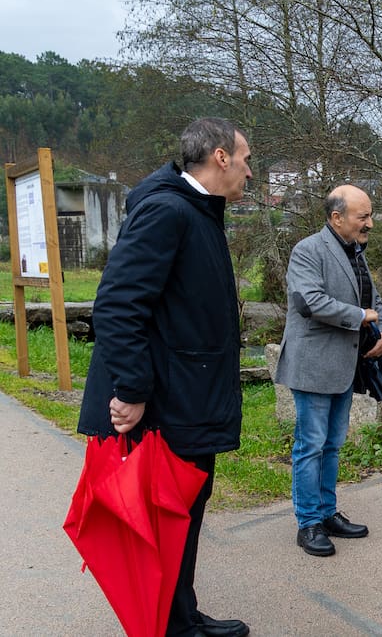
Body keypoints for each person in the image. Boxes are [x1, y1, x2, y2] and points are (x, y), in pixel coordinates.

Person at [77, 118, 252, 637]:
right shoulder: (169, 210)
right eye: (245, 158)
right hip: (166, 403)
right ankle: (174, 628)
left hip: (187, 394)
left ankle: (181, 614)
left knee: (182, 518)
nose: (248, 169)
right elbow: (117, 305)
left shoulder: (196, 208)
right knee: (166, 519)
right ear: (220, 157)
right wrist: (130, 391)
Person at [274, 184, 382, 557]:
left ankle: (327, 514)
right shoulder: (308, 250)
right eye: (363, 217)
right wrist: (361, 317)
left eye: (370, 215)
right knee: (310, 445)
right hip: (313, 365)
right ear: (336, 218)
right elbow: (309, 302)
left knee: (332, 444)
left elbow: (372, 299)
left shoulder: (355, 251)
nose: (370, 224)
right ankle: (308, 523)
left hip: (344, 365)